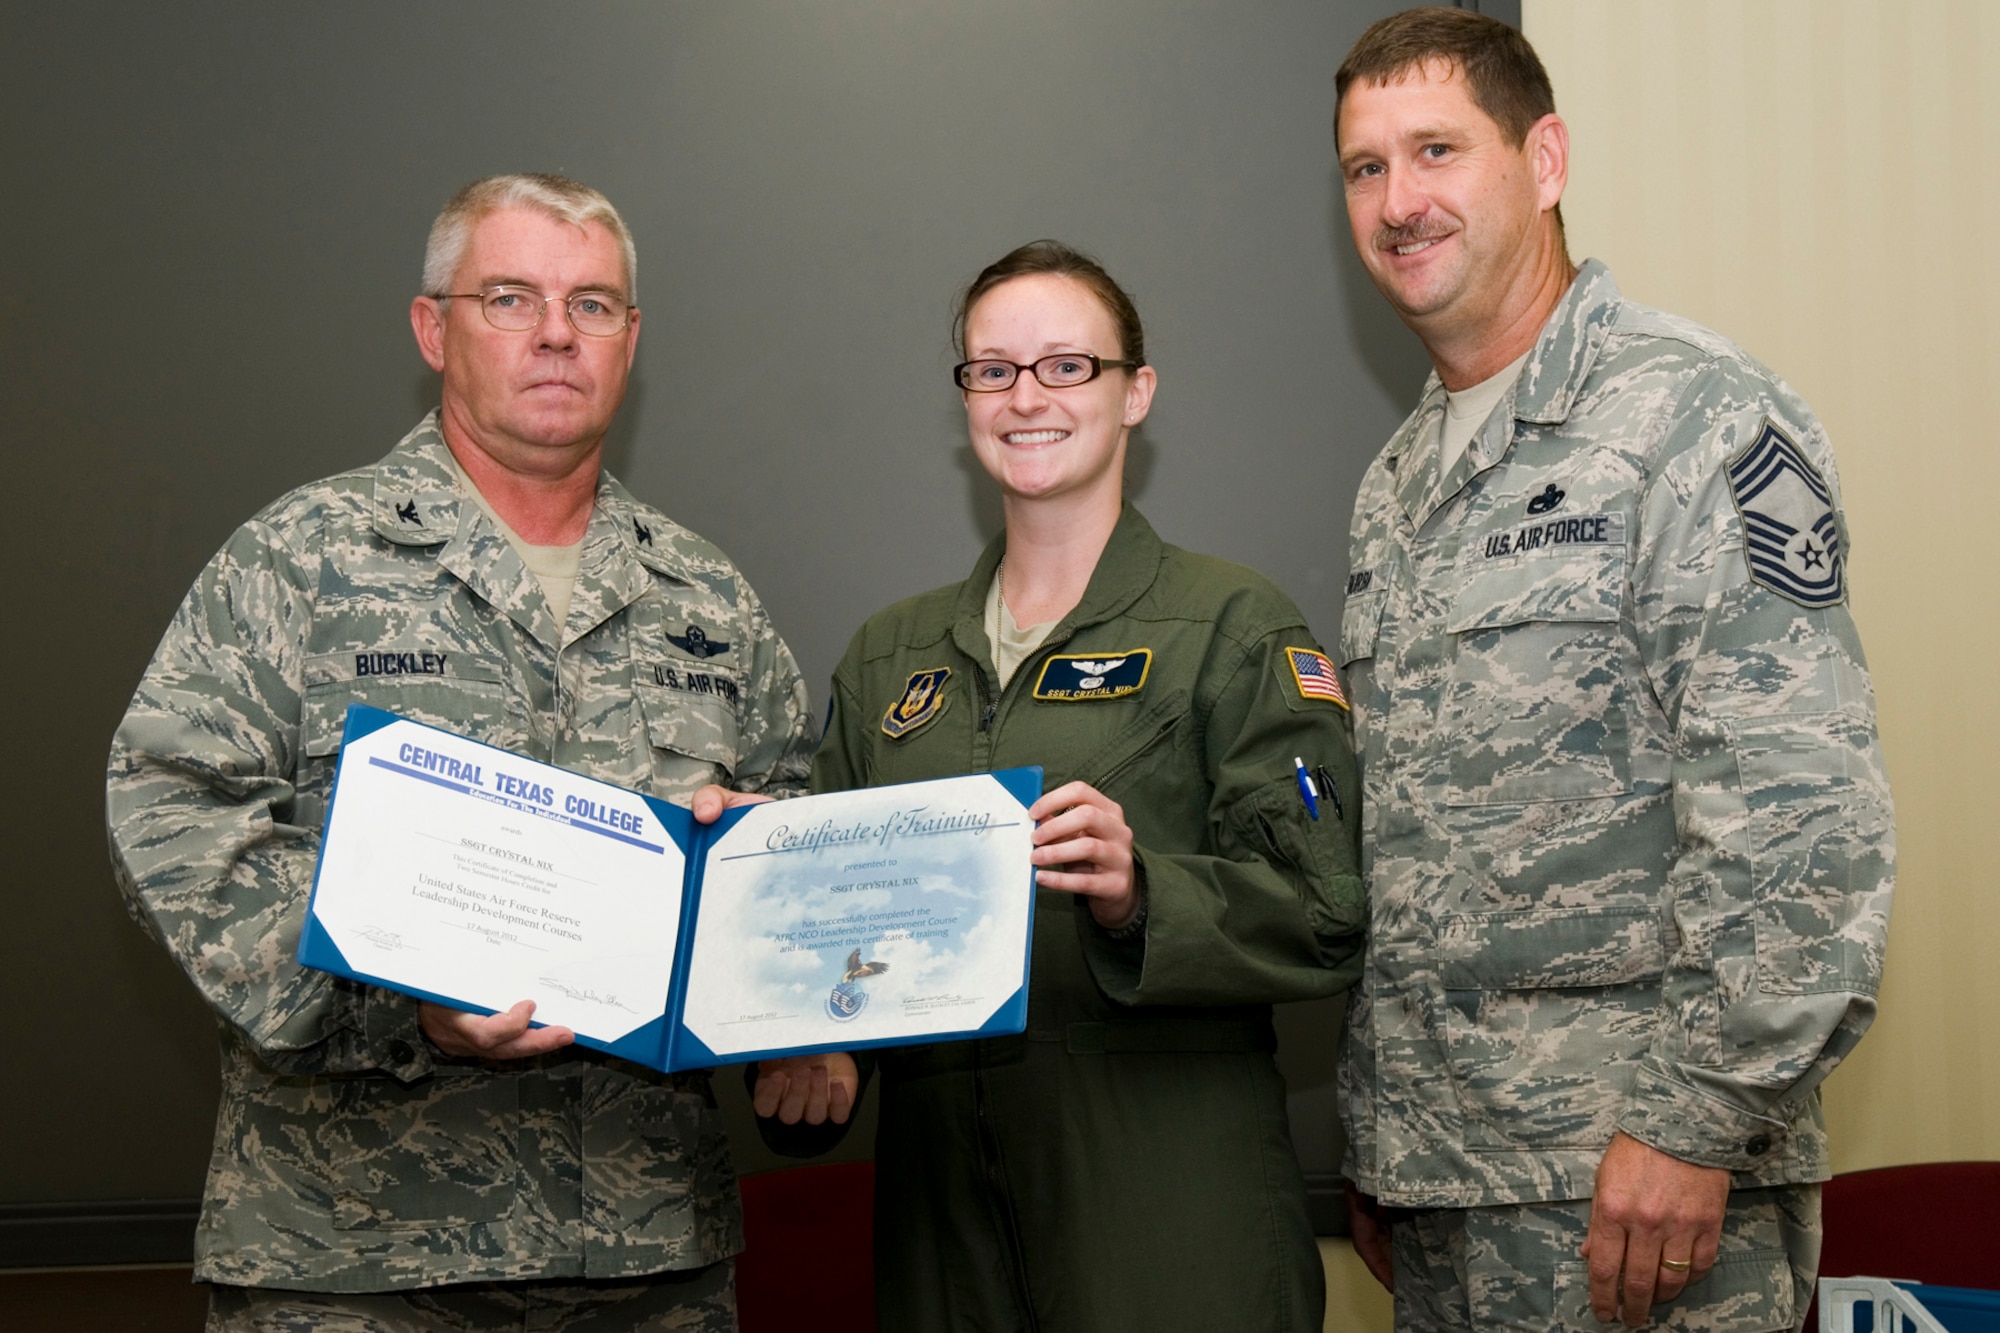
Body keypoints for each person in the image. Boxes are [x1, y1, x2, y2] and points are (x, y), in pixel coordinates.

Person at [105, 173, 816, 1331]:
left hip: (646, 1264)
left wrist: (788, 974)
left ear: (630, 341)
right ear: (434, 327)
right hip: (356, 1255)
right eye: (510, 296)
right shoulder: (304, 557)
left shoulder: (709, 598)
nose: (553, 333)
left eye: (592, 305)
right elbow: (172, 811)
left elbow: (788, 817)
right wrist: (392, 1010)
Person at [1329, 11, 1895, 1332]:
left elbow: (1804, 814)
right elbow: (1412, 838)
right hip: (1445, 1190)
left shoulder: (1696, 414)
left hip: (1638, 1198)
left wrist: (1696, 1121)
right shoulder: (1396, 484)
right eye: (1364, 168)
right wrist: (1384, 1128)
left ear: (1546, 159)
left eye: (1436, 151)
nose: (1400, 202)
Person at [748, 240, 1367, 1332]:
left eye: (1065, 366)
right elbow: (816, 928)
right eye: (992, 369)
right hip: (942, 1219)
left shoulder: (1229, 626)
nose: (1024, 396)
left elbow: (1323, 913)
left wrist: (1142, 894)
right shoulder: (890, 657)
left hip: (1167, 1205)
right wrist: (809, 1030)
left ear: (1136, 392)